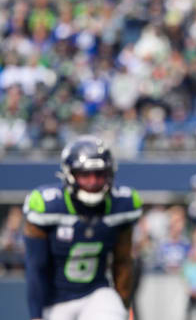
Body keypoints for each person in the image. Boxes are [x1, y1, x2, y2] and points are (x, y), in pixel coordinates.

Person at [23, 135, 143, 320]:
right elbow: (36, 267)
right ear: (69, 174)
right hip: (54, 301)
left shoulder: (123, 203)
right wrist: (35, 315)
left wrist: (124, 305)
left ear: (110, 174)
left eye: (99, 174)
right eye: (84, 175)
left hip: (96, 293)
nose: (93, 182)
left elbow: (123, 261)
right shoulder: (47, 205)